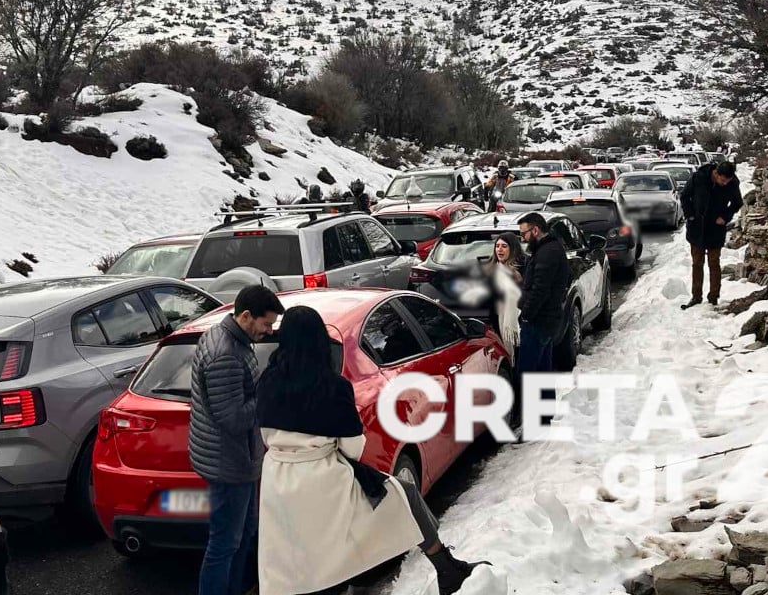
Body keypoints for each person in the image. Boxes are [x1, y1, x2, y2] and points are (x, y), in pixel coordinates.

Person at [256, 306, 489, 595]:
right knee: (403, 496)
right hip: (323, 478)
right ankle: (445, 567)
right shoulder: (332, 386)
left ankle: (445, 568)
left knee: (297, 564)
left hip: (277, 481)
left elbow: (265, 434)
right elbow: (353, 447)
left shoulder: (266, 382)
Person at [189, 285, 285, 595]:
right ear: (246, 316)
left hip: (233, 458)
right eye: (266, 324)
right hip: (230, 463)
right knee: (224, 544)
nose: (269, 331)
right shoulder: (226, 354)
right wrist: (267, 394)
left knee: (242, 536)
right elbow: (233, 418)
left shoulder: (229, 338)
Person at [517, 213, 571, 418]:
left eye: (524, 234)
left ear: (536, 230)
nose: (522, 238)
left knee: (529, 374)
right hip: (548, 319)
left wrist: (527, 315)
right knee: (542, 371)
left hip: (539, 321)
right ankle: (545, 417)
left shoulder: (547, 253)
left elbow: (540, 289)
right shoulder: (550, 249)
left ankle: (534, 421)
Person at [679, 161, 743, 309]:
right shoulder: (699, 177)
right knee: (697, 263)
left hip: (716, 227)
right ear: (716, 173)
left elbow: (737, 202)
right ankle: (696, 296)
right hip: (697, 227)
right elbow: (684, 197)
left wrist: (725, 217)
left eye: (727, 181)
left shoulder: (732, 183)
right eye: (722, 180)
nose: (725, 183)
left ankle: (713, 297)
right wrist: (690, 216)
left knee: (714, 263)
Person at [485, 233, 525, 353]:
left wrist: (519, 282)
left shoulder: (523, 268)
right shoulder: (491, 270)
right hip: (497, 321)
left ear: (512, 249)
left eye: (504, 246)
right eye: (497, 246)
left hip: (520, 322)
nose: (499, 249)